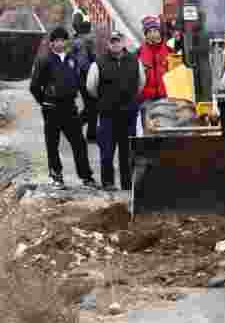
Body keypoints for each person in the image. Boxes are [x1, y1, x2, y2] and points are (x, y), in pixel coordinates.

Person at [29, 26, 96, 189]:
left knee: (79, 142)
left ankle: (86, 176)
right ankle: (56, 176)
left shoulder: (72, 59)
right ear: (51, 43)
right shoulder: (44, 60)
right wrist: (43, 102)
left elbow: (80, 83)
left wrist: (86, 102)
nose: (59, 43)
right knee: (52, 144)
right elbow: (34, 86)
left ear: (66, 42)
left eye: (62, 40)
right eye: (56, 41)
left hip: (70, 107)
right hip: (51, 108)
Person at [86, 30, 146, 191]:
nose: (115, 44)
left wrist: (130, 100)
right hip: (107, 115)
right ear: (108, 44)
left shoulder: (135, 61)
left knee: (127, 153)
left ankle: (127, 185)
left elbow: (141, 84)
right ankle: (108, 183)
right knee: (106, 152)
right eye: (112, 41)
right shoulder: (98, 63)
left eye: (118, 41)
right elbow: (91, 87)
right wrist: (105, 101)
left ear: (124, 42)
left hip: (129, 115)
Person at [138, 15, 170, 127]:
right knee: (148, 132)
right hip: (146, 100)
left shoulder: (170, 51)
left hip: (166, 99)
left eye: (155, 30)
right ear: (145, 34)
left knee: (166, 130)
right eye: (149, 31)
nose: (153, 33)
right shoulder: (139, 53)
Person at [70, 11, 98, 141]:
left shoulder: (78, 40)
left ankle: (90, 134)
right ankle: (75, 128)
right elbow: (83, 62)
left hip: (82, 78)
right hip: (85, 78)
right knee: (92, 107)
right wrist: (94, 74)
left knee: (91, 107)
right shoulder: (83, 41)